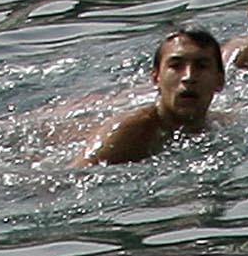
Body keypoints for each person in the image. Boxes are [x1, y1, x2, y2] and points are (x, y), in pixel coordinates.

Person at [84, 28, 227, 165]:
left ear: (219, 81)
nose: (188, 77)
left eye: (201, 66)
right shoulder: (125, 135)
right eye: (176, 66)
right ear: (156, 79)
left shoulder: (221, 124)